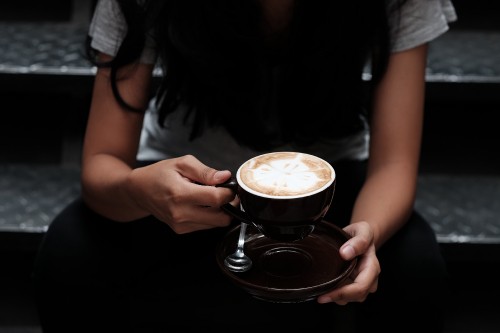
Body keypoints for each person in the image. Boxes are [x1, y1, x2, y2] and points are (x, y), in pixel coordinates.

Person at [33, 0, 457, 332]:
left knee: (417, 268)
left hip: (328, 187)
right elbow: (102, 164)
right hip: (188, 179)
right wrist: (139, 191)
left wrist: (366, 237)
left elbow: (394, 164)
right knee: (68, 251)